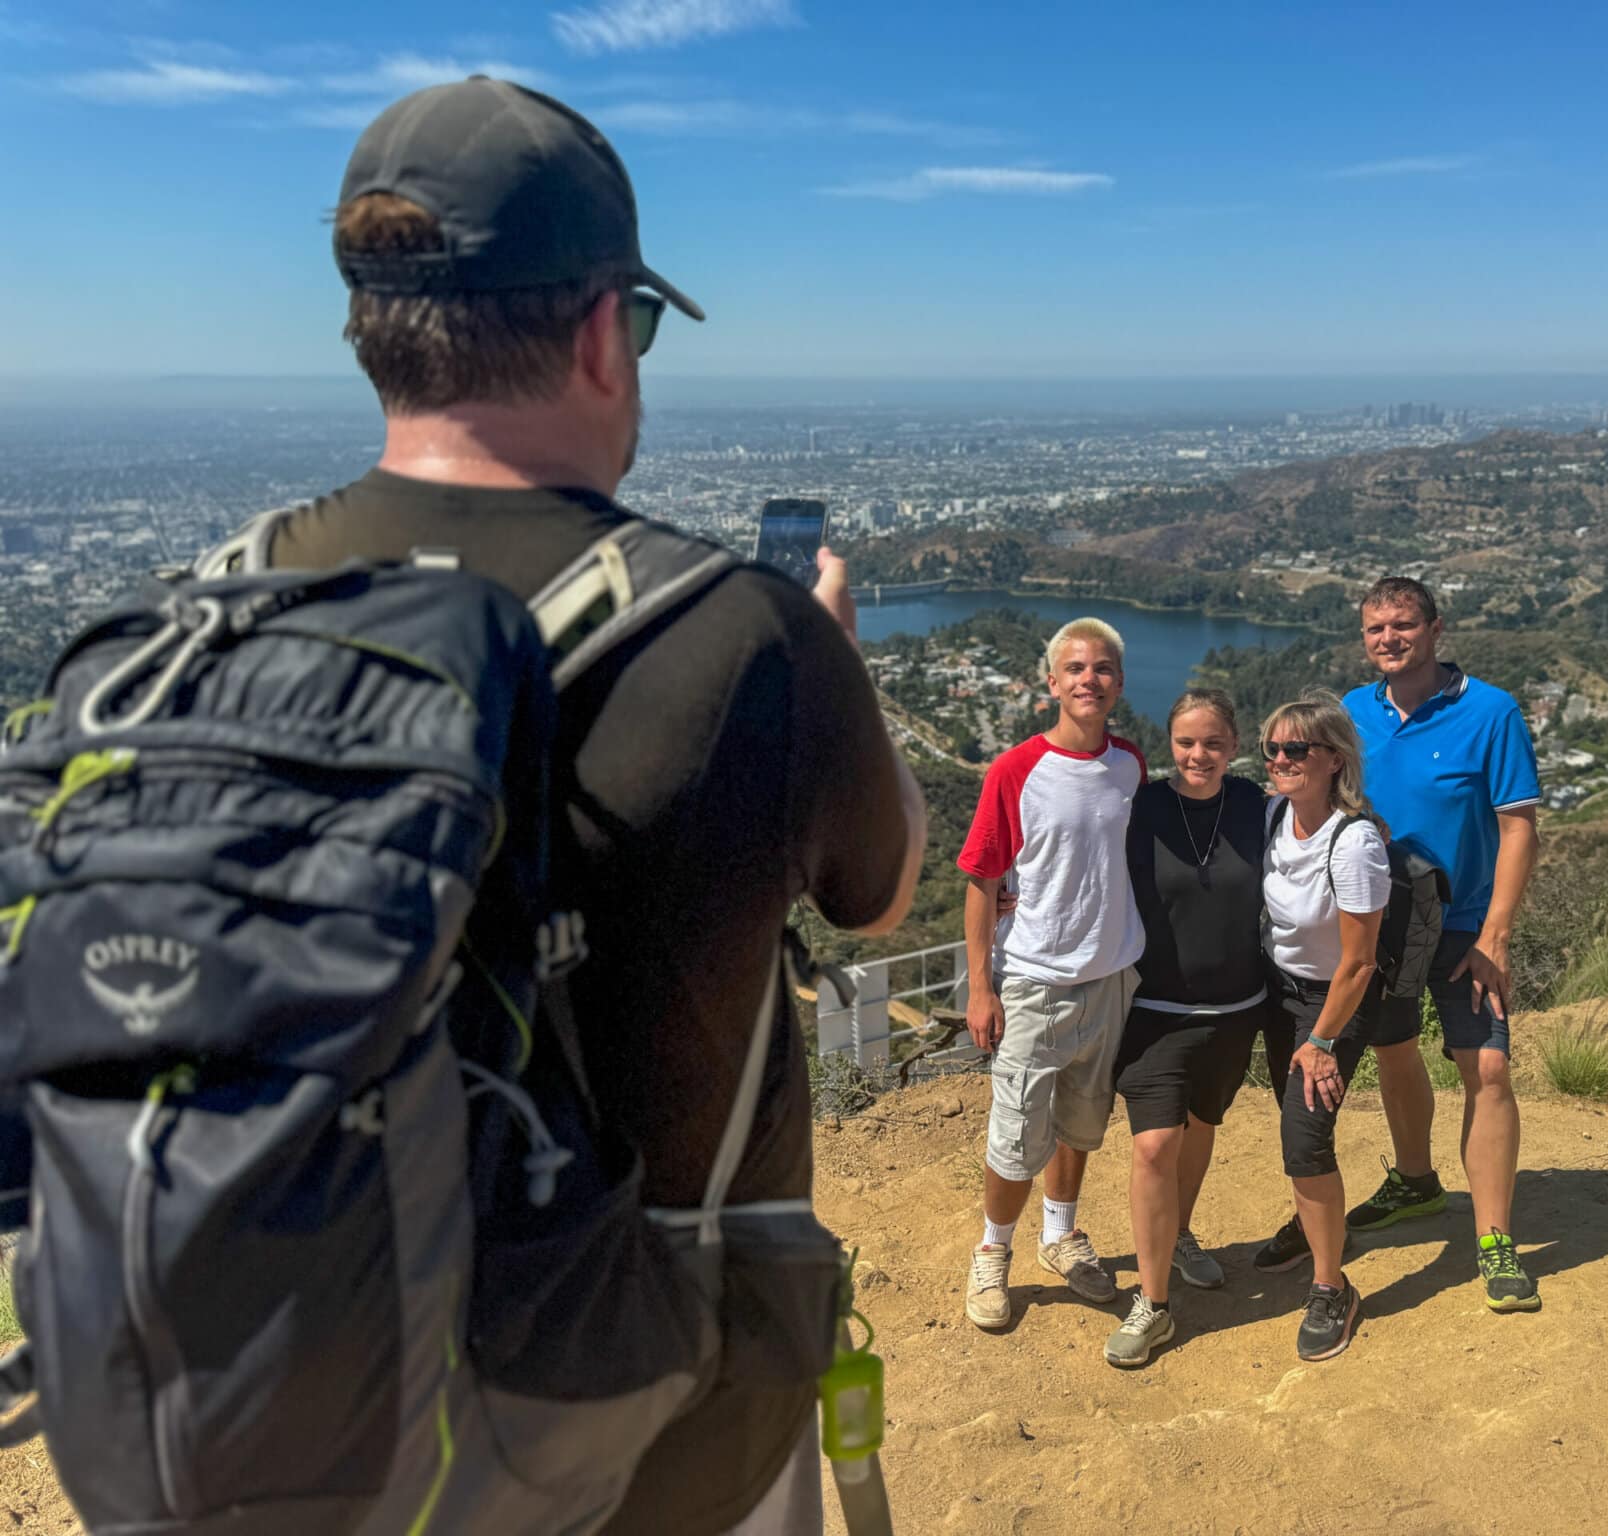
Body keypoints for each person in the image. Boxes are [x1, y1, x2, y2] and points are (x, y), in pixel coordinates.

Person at [285, 78, 927, 1535]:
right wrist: (832, 657)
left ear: (369, 332)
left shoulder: (202, 620)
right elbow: (881, 896)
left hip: (299, 1390)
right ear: (599, 331)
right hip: (665, 1415)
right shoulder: (746, 637)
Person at [1342, 576, 1542, 1314]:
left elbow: (1519, 824)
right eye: (1375, 630)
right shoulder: (1353, 712)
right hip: (1383, 923)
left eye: (1402, 625)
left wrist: (1497, 932)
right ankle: (1416, 1182)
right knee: (1394, 1052)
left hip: (1463, 925)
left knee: (1486, 1067)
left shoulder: (1490, 712)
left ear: (1435, 628)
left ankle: (1493, 1239)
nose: (1388, 639)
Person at [957, 618, 1146, 1331]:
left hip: (1111, 978)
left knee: (1080, 1123)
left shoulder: (1130, 764)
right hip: (1034, 979)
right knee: (1014, 1134)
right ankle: (993, 1250)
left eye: (1101, 669)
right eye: (1074, 669)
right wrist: (981, 985)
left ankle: (1060, 1237)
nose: (1087, 680)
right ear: (1051, 683)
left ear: (1118, 683)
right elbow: (980, 878)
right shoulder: (1016, 770)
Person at [1103, 688, 1270, 1368]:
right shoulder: (1140, 808)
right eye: (1185, 742)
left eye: (1212, 743)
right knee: (1153, 1146)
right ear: (1168, 744)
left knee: (1202, 1128)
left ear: (1234, 746)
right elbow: (1078, 862)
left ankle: (1180, 1235)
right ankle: (1154, 1304)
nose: (1198, 755)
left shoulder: (1258, 807)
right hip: (1156, 1009)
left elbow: (1322, 833)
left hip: (1235, 1013)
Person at [1249, 691, 1391, 1362]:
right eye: (1272, 748)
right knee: (1294, 1118)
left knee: (1305, 1139)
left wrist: (1322, 1041)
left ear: (1333, 759)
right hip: (1280, 993)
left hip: (1331, 1003)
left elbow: (1360, 962)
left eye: (1296, 749)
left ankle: (1332, 1287)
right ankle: (1316, 1228)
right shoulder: (1277, 815)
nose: (1280, 760)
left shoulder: (1354, 841)